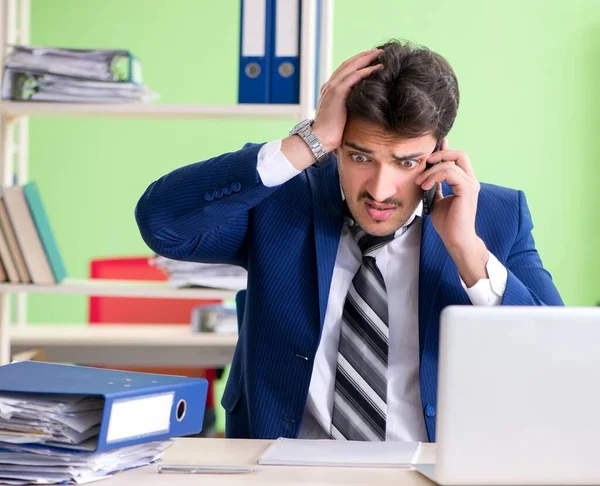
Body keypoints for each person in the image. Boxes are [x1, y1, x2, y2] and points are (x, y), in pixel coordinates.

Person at [135, 40, 563, 442]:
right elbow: (163, 224)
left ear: (439, 151)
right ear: (337, 144)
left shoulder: (497, 216)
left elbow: (559, 363)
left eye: (406, 162)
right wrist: (307, 142)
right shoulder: (281, 196)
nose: (380, 190)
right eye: (361, 157)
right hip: (282, 469)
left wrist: (468, 250)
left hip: (432, 469)